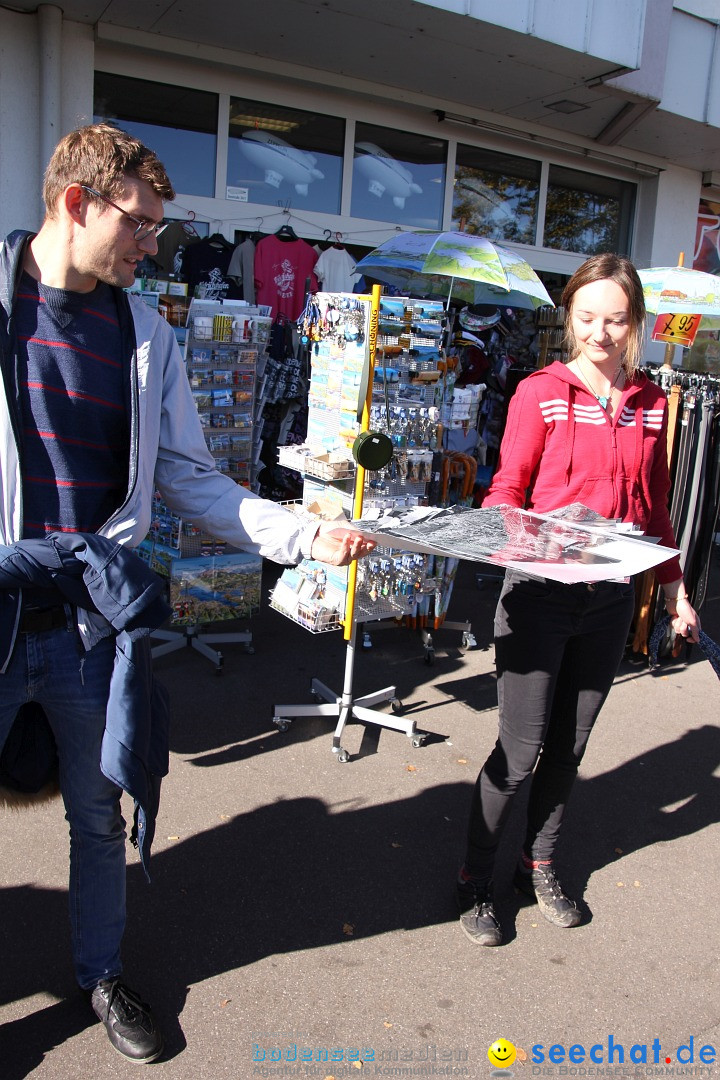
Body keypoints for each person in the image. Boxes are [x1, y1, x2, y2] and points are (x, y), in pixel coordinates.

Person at [0, 123, 374, 1062]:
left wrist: (303, 533)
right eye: (143, 223)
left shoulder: (144, 330)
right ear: (77, 202)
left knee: (99, 813)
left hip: (92, 624)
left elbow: (189, 477)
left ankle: (101, 975)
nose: (153, 244)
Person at [457, 253, 700, 948]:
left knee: (569, 748)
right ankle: (476, 878)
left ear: (636, 325)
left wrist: (676, 589)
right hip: (537, 597)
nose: (600, 332)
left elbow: (655, 510)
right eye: (587, 317)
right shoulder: (541, 392)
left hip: (609, 604)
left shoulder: (654, 405)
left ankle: (538, 866)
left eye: (616, 319)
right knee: (520, 751)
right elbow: (506, 490)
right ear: (569, 317)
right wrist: (513, 539)